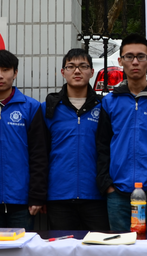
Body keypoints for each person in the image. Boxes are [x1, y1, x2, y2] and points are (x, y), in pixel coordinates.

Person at [96, 33, 147, 231]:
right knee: (120, 247)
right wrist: (108, 186)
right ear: (120, 61)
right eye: (129, 56)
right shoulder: (109, 102)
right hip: (118, 194)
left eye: (141, 57)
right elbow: (101, 146)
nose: (135, 62)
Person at [0, 50, 46, 231]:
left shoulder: (31, 107)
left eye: (5, 70)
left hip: (22, 201)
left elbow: (39, 154)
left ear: (15, 73)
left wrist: (37, 196)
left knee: (22, 247)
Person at [42, 48, 109, 230]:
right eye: (71, 66)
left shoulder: (104, 107)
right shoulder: (48, 109)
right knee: (62, 246)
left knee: (99, 245)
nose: (77, 71)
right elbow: (40, 154)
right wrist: (40, 194)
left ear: (92, 72)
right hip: (59, 196)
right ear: (62, 72)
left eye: (83, 66)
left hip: (96, 195)